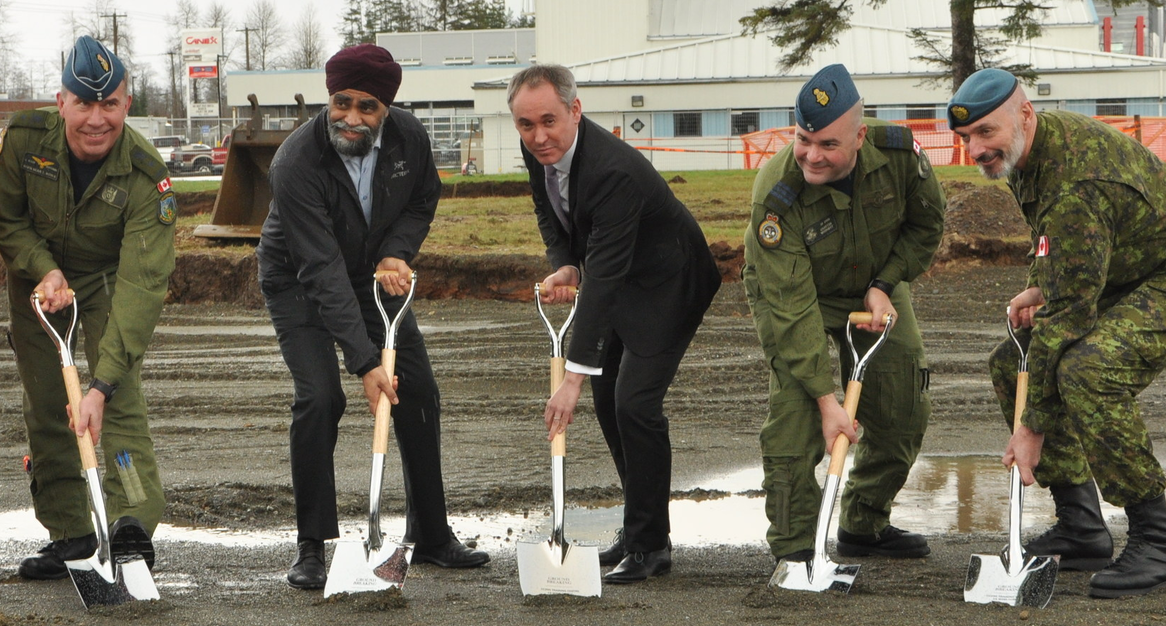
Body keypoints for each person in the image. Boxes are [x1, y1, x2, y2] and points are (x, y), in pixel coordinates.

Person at [948, 68, 1166, 597]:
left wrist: (1031, 427)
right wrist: (1040, 285)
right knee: (1010, 361)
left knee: (1089, 367)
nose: (975, 149)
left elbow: (1071, 316)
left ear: (1024, 116)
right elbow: (1055, 243)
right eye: (966, 138)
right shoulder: (1025, 155)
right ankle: (1081, 526)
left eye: (985, 133)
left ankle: (1158, 542)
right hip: (1130, 267)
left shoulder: (1074, 183)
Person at [258, 43, 490, 589]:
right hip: (299, 281)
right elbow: (320, 269)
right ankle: (313, 545)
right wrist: (364, 364)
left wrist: (397, 252)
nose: (352, 118)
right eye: (342, 103)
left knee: (419, 392)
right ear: (329, 97)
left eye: (368, 107)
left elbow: (422, 199)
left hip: (372, 274)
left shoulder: (410, 136)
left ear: (387, 107)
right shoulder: (295, 162)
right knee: (320, 396)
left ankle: (431, 534)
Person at [510, 64, 721, 584]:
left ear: (576, 111)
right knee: (611, 401)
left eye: (549, 121)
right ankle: (639, 524)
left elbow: (601, 281)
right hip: (622, 276)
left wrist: (573, 380)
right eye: (525, 124)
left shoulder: (612, 172)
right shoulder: (540, 150)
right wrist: (564, 262)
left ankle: (652, 547)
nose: (538, 137)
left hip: (670, 281)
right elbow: (550, 210)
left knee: (635, 403)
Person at [0, 37, 176, 579]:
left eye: (109, 104)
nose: (96, 119)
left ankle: (131, 524)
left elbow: (144, 283)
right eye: (84, 104)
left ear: (127, 104)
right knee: (47, 405)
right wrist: (43, 268)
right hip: (39, 282)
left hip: (108, 280)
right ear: (60, 100)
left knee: (117, 404)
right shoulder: (23, 141)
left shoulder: (145, 174)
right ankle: (70, 531)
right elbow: (6, 219)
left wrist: (102, 385)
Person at [745, 64, 946, 567]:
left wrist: (884, 284)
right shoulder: (777, 196)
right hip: (795, 293)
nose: (812, 154)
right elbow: (791, 308)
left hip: (875, 286)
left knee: (902, 406)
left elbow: (926, 226)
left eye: (828, 144)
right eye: (803, 138)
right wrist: (826, 400)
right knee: (795, 423)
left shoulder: (900, 155)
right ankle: (797, 553)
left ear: (860, 135)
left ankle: (863, 523)